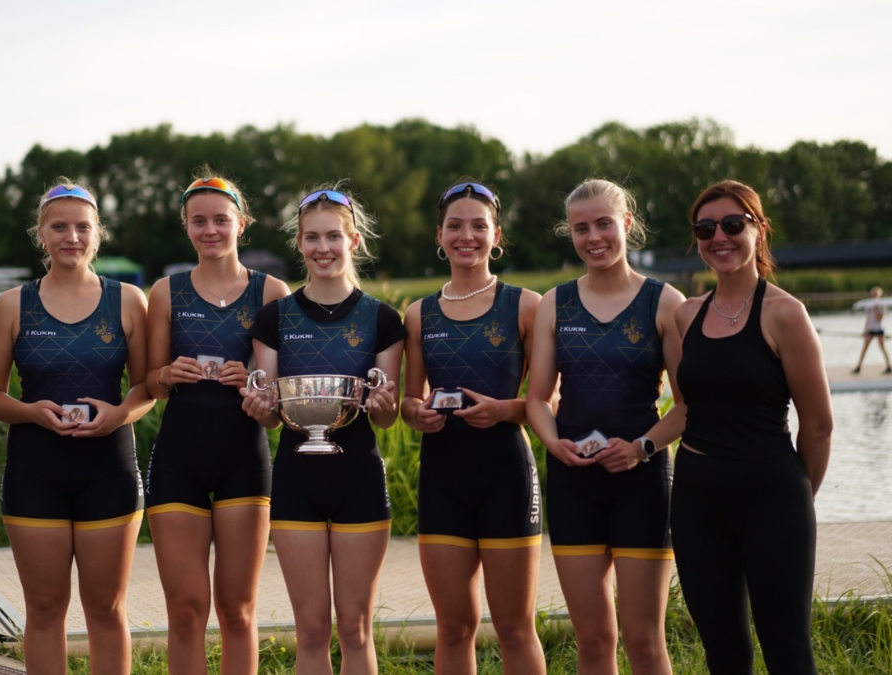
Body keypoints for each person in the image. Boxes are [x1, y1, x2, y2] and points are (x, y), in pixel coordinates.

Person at [0, 179, 152, 675]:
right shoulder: (12, 305)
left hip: (109, 469)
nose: (71, 237)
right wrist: (32, 412)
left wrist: (118, 415)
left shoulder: (128, 301)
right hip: (36, 470)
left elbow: (145, 388)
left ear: (98, 233)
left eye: (82, 227)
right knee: (46, 610)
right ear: (41, 233)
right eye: (59, 226)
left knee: (106, 609)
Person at [525, 178, 686, 675]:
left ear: (627, 225)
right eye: (581, 228)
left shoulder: (665, 302)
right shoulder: (556, 302)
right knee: (593, 640)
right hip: (574, 483)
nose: (593, 237)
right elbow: (536, 399)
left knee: (644, 641)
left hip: (641, 483)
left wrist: (642, 447)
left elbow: (687, 405)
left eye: (603, 224)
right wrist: (552, 443)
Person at [671, 180, 832, 674]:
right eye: (705, 227)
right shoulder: (686, 315)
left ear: (759, 230)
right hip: (696, 499)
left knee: (787, 651)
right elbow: (686, 407)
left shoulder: (786, 314)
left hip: (772, 497)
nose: (719, 237)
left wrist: (795, 495)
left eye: (733, 224)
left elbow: (819, 425)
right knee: (723, 653)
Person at [243, 186, 405, 675]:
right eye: (312, 237)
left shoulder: (382, 317)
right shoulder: (274, 317)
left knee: (355, 629)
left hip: (359, 479)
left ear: (353, 240)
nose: (323, 248)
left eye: (333, 236)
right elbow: (273, 413)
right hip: (296, 481)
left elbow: (386, 416)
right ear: (299, 242)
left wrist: (384, 403)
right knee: (311, 631)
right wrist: (259, 406)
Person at [144, 172, 290, 675]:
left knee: (237, 611)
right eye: (199, 221)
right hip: (178, 457)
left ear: (241, 224)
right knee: (185, 612)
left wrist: (251, 381)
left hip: (244, 458)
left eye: (221, 220)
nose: (210, 230)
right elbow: (150, 386)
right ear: (185, 226)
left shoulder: (272, 292)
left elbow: (277, 406)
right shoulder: (165, 292)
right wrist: (167, 372)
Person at [401, 181, 546, 675]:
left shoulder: (527, 305)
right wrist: (415, 411)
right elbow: (409, 398)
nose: (467, 235)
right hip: (444, 478)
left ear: (496, 234)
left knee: (514, 627)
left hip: (506, 473)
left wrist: (505, 410)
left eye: (478, 226)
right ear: (439, 236)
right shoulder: (418, 314)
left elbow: (551, 402)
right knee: (454, 627)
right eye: (455, 226)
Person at [852, 286, 891, 374]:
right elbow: (868, 319)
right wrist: (864, 330)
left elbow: (880, 319)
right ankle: (859, 366)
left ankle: (888, 366)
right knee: (865, 348)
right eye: (873, 294)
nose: (874, 296)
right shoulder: (868, 306)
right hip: (870, 329)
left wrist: (876, 310)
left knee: (883, 348)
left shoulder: (881, 306)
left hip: (878, 329)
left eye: (875, 294)